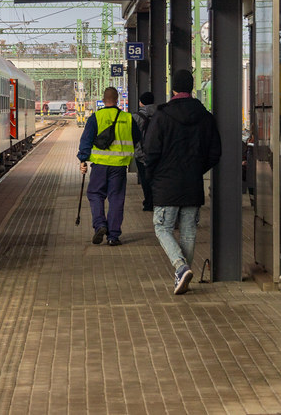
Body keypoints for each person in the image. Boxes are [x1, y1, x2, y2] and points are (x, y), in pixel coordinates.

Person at [143, 69, 221, 295]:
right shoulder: (205, 116)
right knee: (188, 233)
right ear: (192, 87)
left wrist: (152, 177)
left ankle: (180, 267)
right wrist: (196, 170)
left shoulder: (162, 116)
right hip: (192, 183)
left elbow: (150, 151)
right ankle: (182, 275)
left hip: (166, 183)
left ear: (173, 89)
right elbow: (215, 153)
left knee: (162, 228)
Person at [77, 87, 142, 246]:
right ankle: (113, 236)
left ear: (103, 100)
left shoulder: (96, 117)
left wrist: (83, 160)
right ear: (117, 100)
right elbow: (137, 138)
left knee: (95, 194)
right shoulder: (127, 118)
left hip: (100, 165)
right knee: (116, 199)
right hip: (119, 166)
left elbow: (86, 140)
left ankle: (100, 224)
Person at [133, 92, 157, 212]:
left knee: (145, 178)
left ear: (141, 102)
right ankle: (158, 200)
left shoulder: (136, 117)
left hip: (141, 153)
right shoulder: (161, 114)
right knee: (157, 178)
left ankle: (148, 202)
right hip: (159, 153)